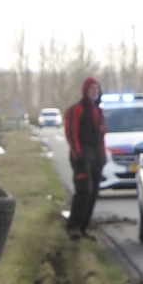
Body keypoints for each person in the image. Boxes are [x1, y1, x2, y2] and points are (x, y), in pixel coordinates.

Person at [62, 76, 105, 238]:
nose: (95, 92)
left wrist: (102, 154)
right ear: (85, 91)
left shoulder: (98, 111)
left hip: (96, 156)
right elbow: (71, 133)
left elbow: (102, 135)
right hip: (82, 155)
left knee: (93, 192)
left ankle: (83, 227)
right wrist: (78, 154)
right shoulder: (76, 110)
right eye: (91, 89)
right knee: (84, 190)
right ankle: (73, 226)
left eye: (97, 89)